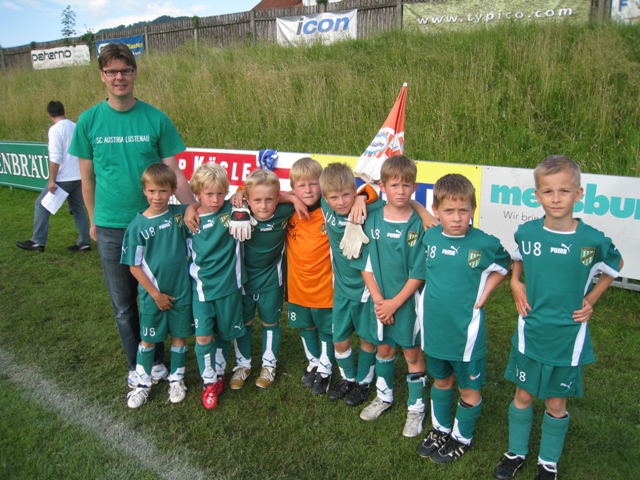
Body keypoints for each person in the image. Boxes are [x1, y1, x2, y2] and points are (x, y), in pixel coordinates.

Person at [69, 43, 195, 389]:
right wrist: (93, 220)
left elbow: (174, 172)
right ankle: (139, 366)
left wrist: (192, 207)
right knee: (125, 305)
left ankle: (163, 360)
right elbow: (87, 179)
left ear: (135, 73)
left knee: (162, 293)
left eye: (125, 70)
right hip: (111, 226)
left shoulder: (156, 118)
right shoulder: (88, 121)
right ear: (102, 76)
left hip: (157, 225)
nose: (119, 77)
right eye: (111, 71)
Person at [493, 155, 623, 480]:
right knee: (523, 395)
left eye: (564, 191)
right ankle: (516, 452)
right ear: (537, 195)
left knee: (555, 402)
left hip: (568, 336)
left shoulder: (591, 239)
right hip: (531, 331)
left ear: (578, 194)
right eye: (548, 191)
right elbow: (518, 257)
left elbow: (615, 265)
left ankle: (548, 462)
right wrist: (515, 282)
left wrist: (591, 299)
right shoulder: (527, 232)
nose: (556, 198)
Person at [415, 174, 511, 463]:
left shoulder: (485, 243)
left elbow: (505, 264)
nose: (456, 218)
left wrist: (486, 292)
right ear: (436, 210)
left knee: (468, 388)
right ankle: (441, 429)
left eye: (463, 210)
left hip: (466, 334)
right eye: (449, 211)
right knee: (441, 381)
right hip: (434, 330)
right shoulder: (430, 237)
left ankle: (461, 437)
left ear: (473, 209)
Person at [351, 154, 427, 438]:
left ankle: (416, 408)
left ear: (414, 187)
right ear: (382, 187)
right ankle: (383, 396)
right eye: (394, 185)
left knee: (412, 353)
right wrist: (379, 301)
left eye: (406, 185)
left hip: (408, 303)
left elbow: (419, 272)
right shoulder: (372, 219)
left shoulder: (419, 224)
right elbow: (366, 266)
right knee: (383, 349)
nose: (400, 191)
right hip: (379, 301)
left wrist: (394, 303)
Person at [120, 163, 194, 408]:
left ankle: (177, 380)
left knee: (179, 337)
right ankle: (142, 384)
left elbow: (198, 206)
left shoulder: (178, 214)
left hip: (181, 292)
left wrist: (192, 207)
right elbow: (134, 266)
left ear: (172, 190)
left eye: (163, 191)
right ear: (144, 191)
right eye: (152, 191)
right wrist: (155, 294)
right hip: (153, 296)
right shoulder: (137, 226)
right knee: (148, 340)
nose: (157, 196)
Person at [318, 163, 380, 406]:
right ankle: (348, 378)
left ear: (354, 191)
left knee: (367, 340)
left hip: (366, 290)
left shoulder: (370, 209)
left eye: (347, 195)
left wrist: (363, 197)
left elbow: (392, 200)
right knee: (339, 340)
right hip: (342, 289)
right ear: (325, 198)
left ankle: (364, 382)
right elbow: (295, 193)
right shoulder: (325, 206)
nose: (341, 202)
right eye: (334, 197)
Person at [228, 169, 296, 390]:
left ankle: (269, 365)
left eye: (269, 200)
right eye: (257, 200)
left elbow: (305, 196)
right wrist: (239, 195)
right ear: (248, 200)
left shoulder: (284, 211)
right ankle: (243, 365)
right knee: (244, 323)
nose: (264, 206)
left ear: (278, 198)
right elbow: (211, 204)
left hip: (271, 279)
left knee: (270, 322)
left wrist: (292, 198)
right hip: (244, 280)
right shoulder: (238, 212)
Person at [186, 162, 246, 410]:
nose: (215, 199)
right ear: (197, 193)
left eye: (220, 193)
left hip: (229, 288)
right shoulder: (188, 219)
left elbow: (266, 191)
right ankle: (208, 381)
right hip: (201, 290)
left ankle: (219, 373)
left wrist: (242, 192)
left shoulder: (231, 210)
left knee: (223, 334)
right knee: (203, 337)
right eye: (209, 194)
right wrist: (189, 208)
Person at [286, 157, 344, 395]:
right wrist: (290, 199)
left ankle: (326, 368)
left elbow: (366, 195)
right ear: (293, 188)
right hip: (297, 288)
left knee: (327, 329)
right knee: (306, 327)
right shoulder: (287, 210)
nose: (308, 190)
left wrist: (361, 199)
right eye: (301, 186)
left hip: (324, 287)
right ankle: (314, 362)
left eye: (313, 184)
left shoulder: (330, 210)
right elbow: (254, 192)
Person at [17, 101, 91, 253]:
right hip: (78, 175)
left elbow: (55, 157)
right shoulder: (75, 126)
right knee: (78, 209)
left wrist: (52, 180)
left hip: (64, 177)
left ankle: (38, 241)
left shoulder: (55, 130)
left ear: (49, 115)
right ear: (63, 111)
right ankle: (84, 242)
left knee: (41, 205)